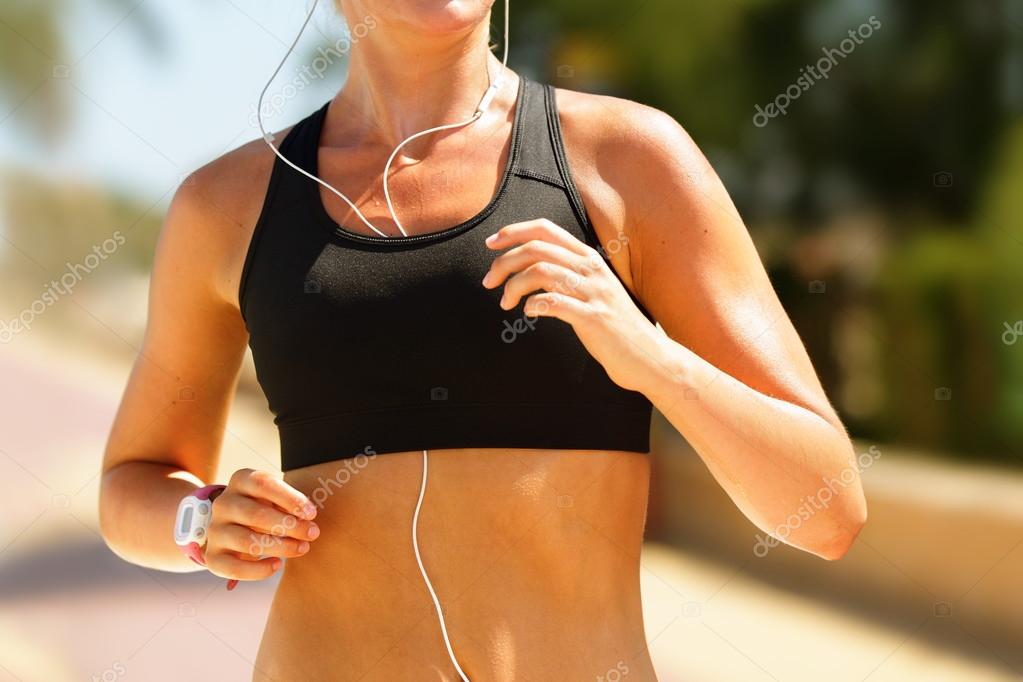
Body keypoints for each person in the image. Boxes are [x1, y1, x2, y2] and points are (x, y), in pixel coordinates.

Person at [99, 1, 868, 679]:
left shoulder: (627, 161)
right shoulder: (224, 206)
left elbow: (827, 510)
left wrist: (650, 359)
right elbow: (131, 486)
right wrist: (201, 520)